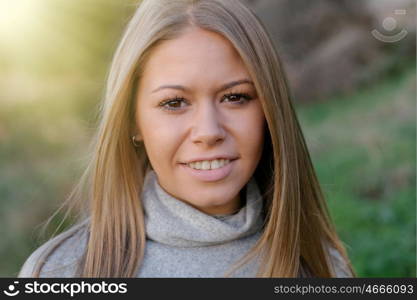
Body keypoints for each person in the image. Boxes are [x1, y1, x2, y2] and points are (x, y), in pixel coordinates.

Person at [19, 0, 355, 278]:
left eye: (235, 97)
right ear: (132, 120)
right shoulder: (59, 272)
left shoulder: (324, 267)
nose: (209, 131)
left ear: (270, 111)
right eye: (174, 103)